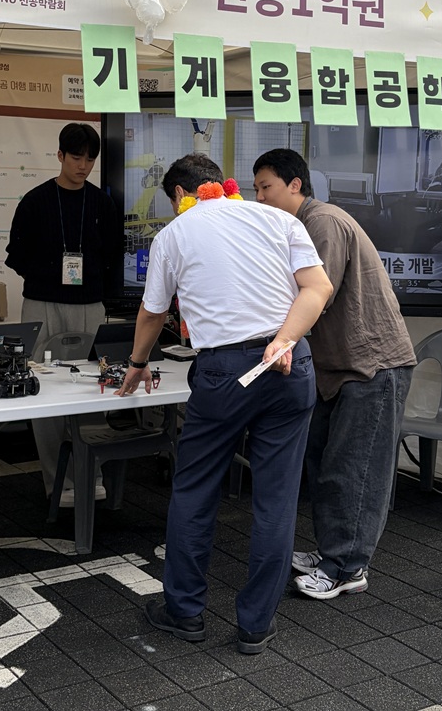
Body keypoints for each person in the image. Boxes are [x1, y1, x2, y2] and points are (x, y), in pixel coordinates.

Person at [117, 154, 332, 653]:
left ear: (179, 194)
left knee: (195, 490)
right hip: (289, 365)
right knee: (276, 500)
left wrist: (137, 362)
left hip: (223, 370)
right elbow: (317, 288)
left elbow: (152, 313)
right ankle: (256, 624)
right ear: (222, 183)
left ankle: (184, 612)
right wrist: (282, 340)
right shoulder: (279, 219)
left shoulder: (175, 234)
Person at [252, 148, 416, 601]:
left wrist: (271, 334)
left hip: (372, 366)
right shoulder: (302, 225)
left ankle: (346, 567)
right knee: (326, 465)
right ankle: (332, 551)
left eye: (266, 187)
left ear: (295, 185)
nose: (259, 198)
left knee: (354, 470)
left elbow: (314, 295)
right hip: (338, 367)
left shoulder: (321, 222)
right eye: (256, 189)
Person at [5, 122, 120, 505]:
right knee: (45, 390)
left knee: (94, 388)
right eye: (76, 157)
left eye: (89, 159)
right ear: (59, 155)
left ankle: (92, 475)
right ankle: (57, 482)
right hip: (43, 304)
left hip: (90, 305)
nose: (83, 166)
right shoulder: (35, 201)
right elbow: (17, 256)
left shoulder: (102, 203)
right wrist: (49, 278)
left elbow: (112, 254)